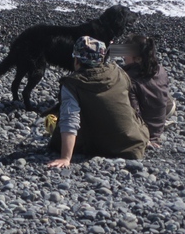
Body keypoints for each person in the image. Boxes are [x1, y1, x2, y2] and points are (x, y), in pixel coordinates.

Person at [47, 36, 149, 168]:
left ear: (76, 60)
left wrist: (65, 157)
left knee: (59, 133)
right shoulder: (117, 71)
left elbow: (70, 119)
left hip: (107, 147)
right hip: (135, 141)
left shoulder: (73, 84)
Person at [119, 34, 175, 147]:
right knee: (162, 95)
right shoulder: (161, 70)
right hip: (160, 121)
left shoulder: (129, 79)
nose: (123, 56)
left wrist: (146, 138)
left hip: (145, 131)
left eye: (126, 53)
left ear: (138, 58)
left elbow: (134, 113)